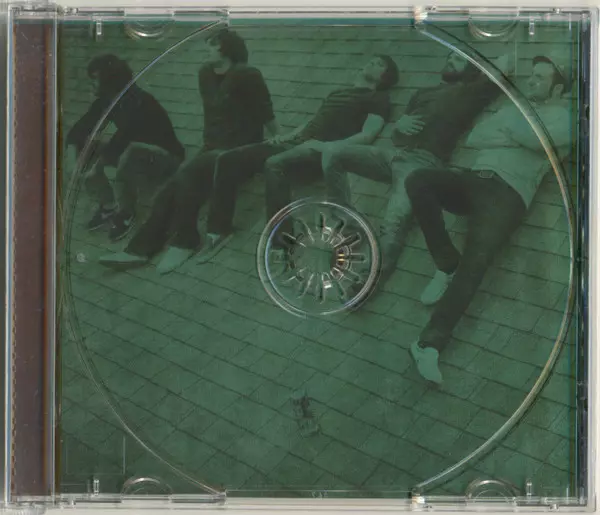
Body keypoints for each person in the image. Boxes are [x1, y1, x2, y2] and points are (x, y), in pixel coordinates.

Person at [405, 55, 572, 384]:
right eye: (532, 74)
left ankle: (428, 345)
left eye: (541, 77)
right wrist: (519, 135)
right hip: (473, 178)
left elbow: (537, 142)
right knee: (418, 180)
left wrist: (508, 130)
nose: (531, 80)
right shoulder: (515, 109)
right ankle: (445, 260)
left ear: (558, 89)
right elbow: (476, 137)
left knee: (476, 263)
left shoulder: (565, 119)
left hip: (507, 195)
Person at [322, 52, 515, 285]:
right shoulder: (422, 93)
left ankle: (366, 283)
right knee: (333, 153)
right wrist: (399, 125)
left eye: (458, 59)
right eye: (450, 57)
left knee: (392, 224)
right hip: (395, 155)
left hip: (421, 163)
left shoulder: (469, 93)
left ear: (470, 69)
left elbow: (506, 64)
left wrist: (479, 61)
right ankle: (347, 223)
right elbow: (396, 138)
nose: (450, 60)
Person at [192, 54, 400, 269]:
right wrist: (287, 136)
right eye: (372, 60)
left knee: (274, 164)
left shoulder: (378, 98)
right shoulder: (338, 93)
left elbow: (367, 135)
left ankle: (281, 244)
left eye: (379, 64)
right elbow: (312, 121)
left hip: (319, 151)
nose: (371, 63)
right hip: (296, 143)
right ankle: (218, 232)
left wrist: (327, 147)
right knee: (227, 159)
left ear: (384, 78)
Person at [98, 28, 279, 272]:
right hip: (211, 147)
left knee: (188, 175)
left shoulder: (248, 75)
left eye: (213, 44)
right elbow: (212, 117)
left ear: (227, 48)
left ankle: (185, 241)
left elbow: (266, 111)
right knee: (171, 187)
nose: (207, 48)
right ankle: (138, 251)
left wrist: (279, 138)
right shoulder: (205, 74)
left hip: (238, 150)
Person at [66, 54, 185, 242]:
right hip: (134, 154)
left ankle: (126, 212)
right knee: (87, 145)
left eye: (95, 79)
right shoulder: (106, 101)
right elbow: (79, 130)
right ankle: (108, 206)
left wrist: (95, 168)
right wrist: (72, 162)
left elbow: (122, 140)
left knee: (130, 152)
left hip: (165, 158)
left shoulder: (139, 101)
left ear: (109, 80)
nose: (91, 84)